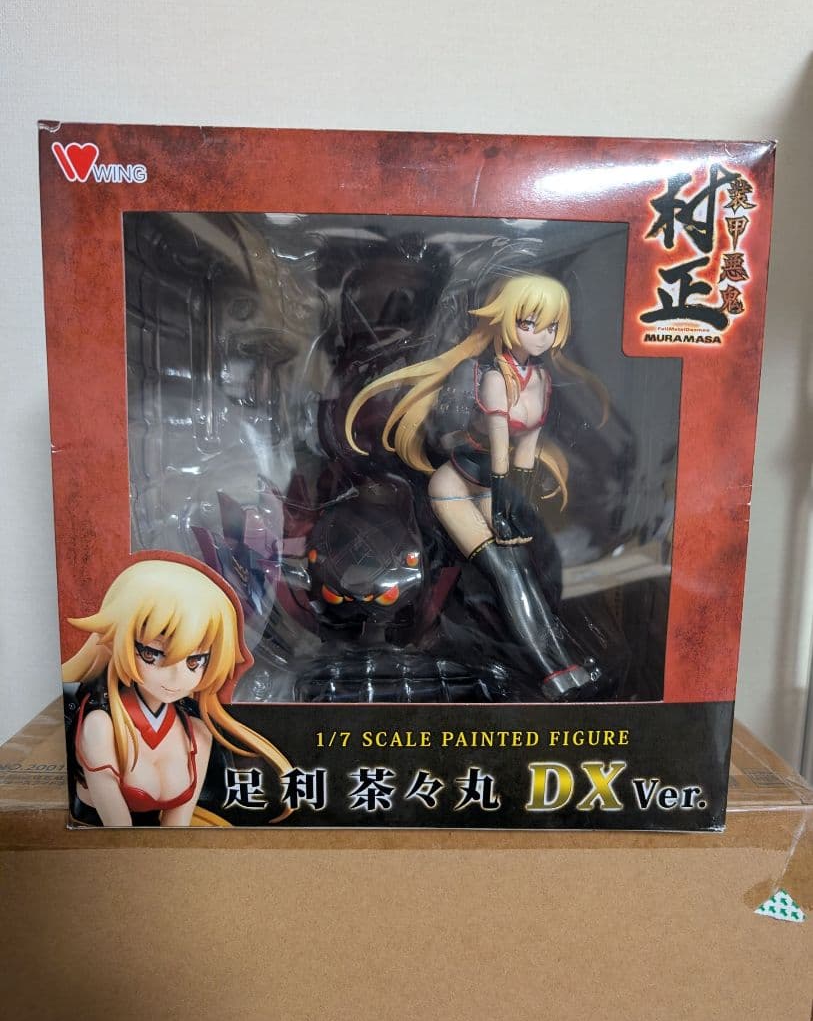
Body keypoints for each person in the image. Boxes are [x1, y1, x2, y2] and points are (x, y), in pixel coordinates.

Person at [345, 273, 606, 701]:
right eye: (528, 323)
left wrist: (519, 508)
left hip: (491, 486)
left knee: (525, 572)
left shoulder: (540, 380)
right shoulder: (494, 377)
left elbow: (527, 450)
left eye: (551, 326)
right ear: (505, 320)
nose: (541, 335)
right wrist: (503, 511)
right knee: (508, 575)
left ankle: (566, 664)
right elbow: (500, 451)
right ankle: (552, 673)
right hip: (455, 487)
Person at [62, 556, 291, 826]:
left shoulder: (198, 734)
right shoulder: (101, 727)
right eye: (153, 654)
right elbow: (119, 833)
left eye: (195, 661)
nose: (177, 677)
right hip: (99, 843)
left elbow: (177, 829)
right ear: (119, 641)